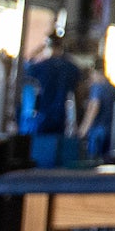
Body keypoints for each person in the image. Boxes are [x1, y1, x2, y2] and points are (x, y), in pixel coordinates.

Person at [20, 34, 81, 168]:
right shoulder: (71, 68)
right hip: (62, 116)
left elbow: (26, 67)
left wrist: (37, 52)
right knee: (57, 153)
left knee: (39, 152)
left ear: (47, 47)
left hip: (41, 115)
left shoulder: (38, 67)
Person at [76, 59, 115, 160]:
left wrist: (83, 130)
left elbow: (93, 108)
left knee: (94, 161)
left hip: (98, 131)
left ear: (96, 72)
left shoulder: (97, 88)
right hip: (113, 132)